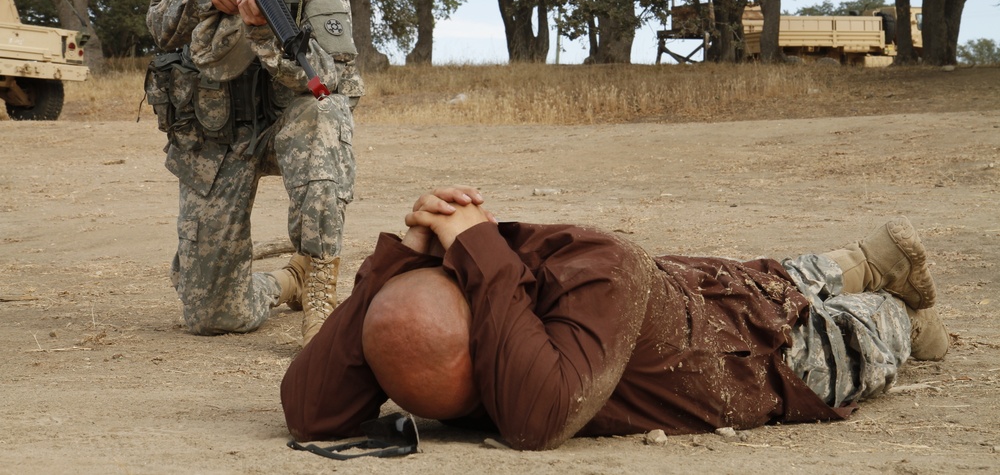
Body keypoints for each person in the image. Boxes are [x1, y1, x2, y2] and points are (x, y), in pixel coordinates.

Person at [280, 187, 950, 450]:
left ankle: (890, 298)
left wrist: (473, 249)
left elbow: (536, 418)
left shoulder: (593, 265)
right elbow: (310, 410)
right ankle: (862, 259)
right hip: (698, 293)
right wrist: (399, 260)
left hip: (770, 349)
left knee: (858, 327)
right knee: (769, 277)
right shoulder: (464, 297)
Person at [143, 0, 363, 345]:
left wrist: (265, 33)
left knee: (326, 116)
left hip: (287, 121)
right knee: (212, 315)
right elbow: (156, 18)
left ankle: (320, 297)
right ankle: (286, 282)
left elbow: (325, 79)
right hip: (215, 138)